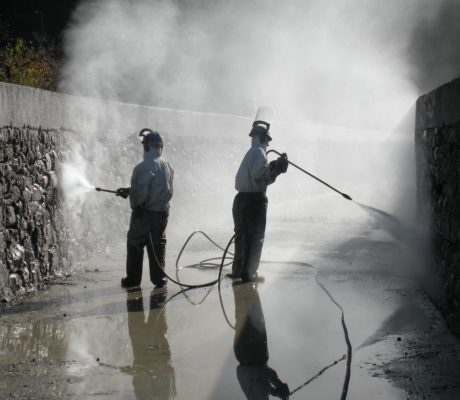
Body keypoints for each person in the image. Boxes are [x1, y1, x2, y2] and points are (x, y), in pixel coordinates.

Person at [231, 121, 288, 282]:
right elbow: (258, 175)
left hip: (241, 200)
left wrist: (273, 170)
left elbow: (258, 178)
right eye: (267, 139)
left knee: (241, 237)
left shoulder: (251, 152)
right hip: (254, 201)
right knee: (256, 238)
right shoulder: (259, 152)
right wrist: (276, 169)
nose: (269, 143)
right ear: (262, 137)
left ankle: (238, 271)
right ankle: (249, 273)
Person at [116, 128, 174, 289]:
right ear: (160, 147)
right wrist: (130, 190)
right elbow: (157, 188)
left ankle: (133, 280)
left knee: (135, 244)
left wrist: (132, 197)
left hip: (145, 214)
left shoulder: (142, 167)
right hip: (162, 213)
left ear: (147, 147)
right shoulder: (167, 166)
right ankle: (159, 280)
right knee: (157, 245)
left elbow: (141, 195)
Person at [232, 281, 290, 399]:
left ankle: (244, 281)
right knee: (252, 314)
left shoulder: (255, 396)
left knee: (250, 315)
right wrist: (278, 385)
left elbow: (260, 384)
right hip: (252, 353)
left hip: (249, 352)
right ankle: (244, 283)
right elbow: (265, 373)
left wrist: (276, 391)